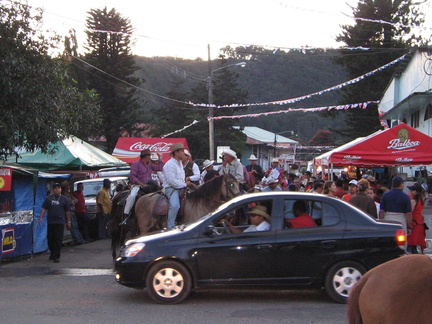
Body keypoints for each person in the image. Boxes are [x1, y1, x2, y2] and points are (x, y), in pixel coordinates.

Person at [124, 149, 164, 217]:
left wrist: (160, 159)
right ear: (145, 156)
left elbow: (160, 167)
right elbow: (132, 177)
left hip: (149, 186)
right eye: (149, 155)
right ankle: (126, 214)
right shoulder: (135, 164)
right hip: (138, 186)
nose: (150, 157)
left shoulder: (150, 165)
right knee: (132, 196)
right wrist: (141, 184)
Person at [38, 183, 71, 263]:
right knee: (50, 239)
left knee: (58, 239)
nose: (57, 189)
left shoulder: (64, 199)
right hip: (51, 222)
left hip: (60, 222)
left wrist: (68, 222)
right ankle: (52, 253)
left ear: (61, 189)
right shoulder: (49, 198)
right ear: (53, 190)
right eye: (55, 188)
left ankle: (56, 256)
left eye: (58, 188)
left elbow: (67, 211)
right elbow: (44, 208)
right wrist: (41, 217)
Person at [379, 176, 412, 246]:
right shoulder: (405, 197)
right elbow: (408, 214)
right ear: (401, 184)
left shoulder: (385, 195)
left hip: (387, 219)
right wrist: (409, 226)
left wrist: (381, 222)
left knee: (388, 242)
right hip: (401, 219)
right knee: (401, 244)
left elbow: (381, 211)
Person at [163, 143, 190, 229]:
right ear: (176, 153)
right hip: (171, 189)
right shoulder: (169, 164)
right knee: (175, 205)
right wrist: (185, 184)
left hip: (181, 187)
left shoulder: (180, 163)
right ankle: (170, 226)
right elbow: (172, 181)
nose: (183, 153)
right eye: (182, 151)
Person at [61, 180, 85, 245]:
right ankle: (78, 240)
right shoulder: (63, 195)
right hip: (68, 211)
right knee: (72, 226)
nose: (69, 186)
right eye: (67, 185)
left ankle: (80, 239)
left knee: (75, 225)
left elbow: (75, 200)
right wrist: (72, 202)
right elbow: (69, 202)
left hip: (72, 211)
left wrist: (72, 201)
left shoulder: (69, 194)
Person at [407, 183, 427, 254]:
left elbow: (410, 213)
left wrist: (408, 225)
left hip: (414, 225)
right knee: (415, 246)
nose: (410, 191)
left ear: (416, 191)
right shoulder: (421, 200)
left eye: (412, 190)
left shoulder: (413, 201)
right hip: (420, 224)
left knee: (409, 245)